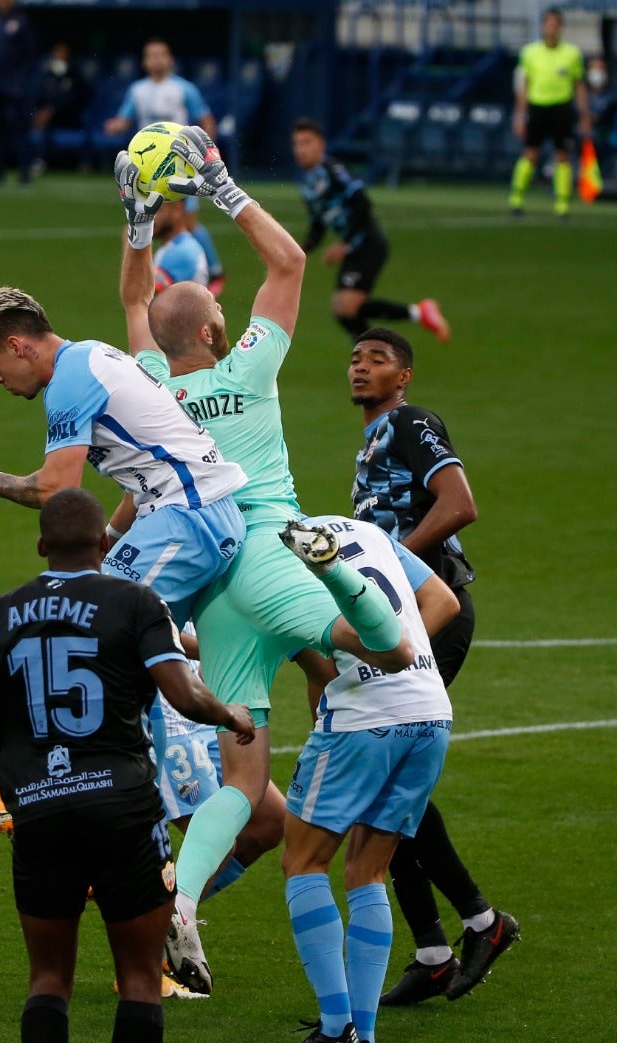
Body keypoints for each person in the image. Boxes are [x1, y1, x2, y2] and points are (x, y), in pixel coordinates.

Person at [117, 128, 412, 996]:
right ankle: (338, 577)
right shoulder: (246, 370)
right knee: (386, 646)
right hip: (269, 551)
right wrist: (218, 183)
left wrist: (138, 219)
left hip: (208, 589)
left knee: (244, 773)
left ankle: (184, 894)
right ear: (214, 326)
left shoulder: (149, 387)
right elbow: (288, 267)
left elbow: (137, 306)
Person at [0, 488, 256, 1043]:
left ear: (41, 545)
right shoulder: (136, 601)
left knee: (48, 978)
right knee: (141, 978)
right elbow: (182, 693)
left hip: (40, 811)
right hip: (124, 811)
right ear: (102, 543)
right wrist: (229, 714)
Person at [346, 326, 520, 1006]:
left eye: (379, 359)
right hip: (399, 614)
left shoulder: (412, 423)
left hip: (431, 611)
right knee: (382, 780)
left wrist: (393, 568)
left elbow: (460, 505)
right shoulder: (372, 442)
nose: (362, 367)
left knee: (386, 769)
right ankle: (438, 949)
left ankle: (480, 923)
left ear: (406, 376)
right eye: (355, 359)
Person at [0, 285, 246, 629]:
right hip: (203, 515)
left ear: (16, 346)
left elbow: (57, 490)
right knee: (146, 644)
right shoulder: (91, 355)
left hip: (189, 520)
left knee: (93, 621)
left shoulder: (69, 382)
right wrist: (112, 540)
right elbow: (146, 476)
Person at [274, 513, 459, 1043]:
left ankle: (336, 1030)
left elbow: (318, 661)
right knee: (367, 871)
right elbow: (445, 601)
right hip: (430, 712)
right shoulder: (368, 531)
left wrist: (359, 669)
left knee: (303, 862)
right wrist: (399, 661)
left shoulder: (271, 552)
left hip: (363, 723)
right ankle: (362, 1035)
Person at [290, 118, 450, 343]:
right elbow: (318, 225)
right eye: (297, 144)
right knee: (343, 310)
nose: (301, 149)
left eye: (307, 142)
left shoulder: (332, 170)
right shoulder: (308, 184)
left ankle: (413, 319)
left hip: (368, 243)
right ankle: (373, 351)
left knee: (346, 307)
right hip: (355, 247)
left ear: (321, 145)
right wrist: (298, 250)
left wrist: (345, 244)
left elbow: (363, 204)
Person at [104, 39, 224, 288]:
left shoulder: (185, 89)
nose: (156, 60)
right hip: (147, 169)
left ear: (170, 59)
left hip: (177, 165)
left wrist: (208, 153)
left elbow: (206, 119)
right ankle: (148, 275)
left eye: (161, 55)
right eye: (151, 55)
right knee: (141, 220)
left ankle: (214, 271)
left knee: (188, 223)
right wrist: (116, 125)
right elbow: (125, 119)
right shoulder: (137, 90)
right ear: (144, 62)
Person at [509, 8, 593, 217]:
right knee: (530, 153)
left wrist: (584, 115)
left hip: (562, 108)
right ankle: (516, 198)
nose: (551, 28)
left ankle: (562, 203)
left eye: (555, 24)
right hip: (538, 107)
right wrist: (520, 115)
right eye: (548, 24)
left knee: (562, 155)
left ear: (561, 27)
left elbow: (579, 86)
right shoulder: (530, 53)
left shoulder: (572, 54)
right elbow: (524, 86)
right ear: (542, 26)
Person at [0, 0, 39, 184]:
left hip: (15, 85)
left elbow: (30, 54)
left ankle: (24, 172)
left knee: (19, 129)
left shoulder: (21, 22)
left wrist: (20, 82)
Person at [28, 42, 91, 176]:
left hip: (69, 116)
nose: (59, 56)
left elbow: (78, 98)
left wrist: (53, 109)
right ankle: (34, 160)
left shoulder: (75, 74)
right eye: (57, 53)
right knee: (38, 119)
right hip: (49, 117)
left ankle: (41, 160)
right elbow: (40, 95)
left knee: (46, 119)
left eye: (62, 53)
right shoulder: (48, 74)